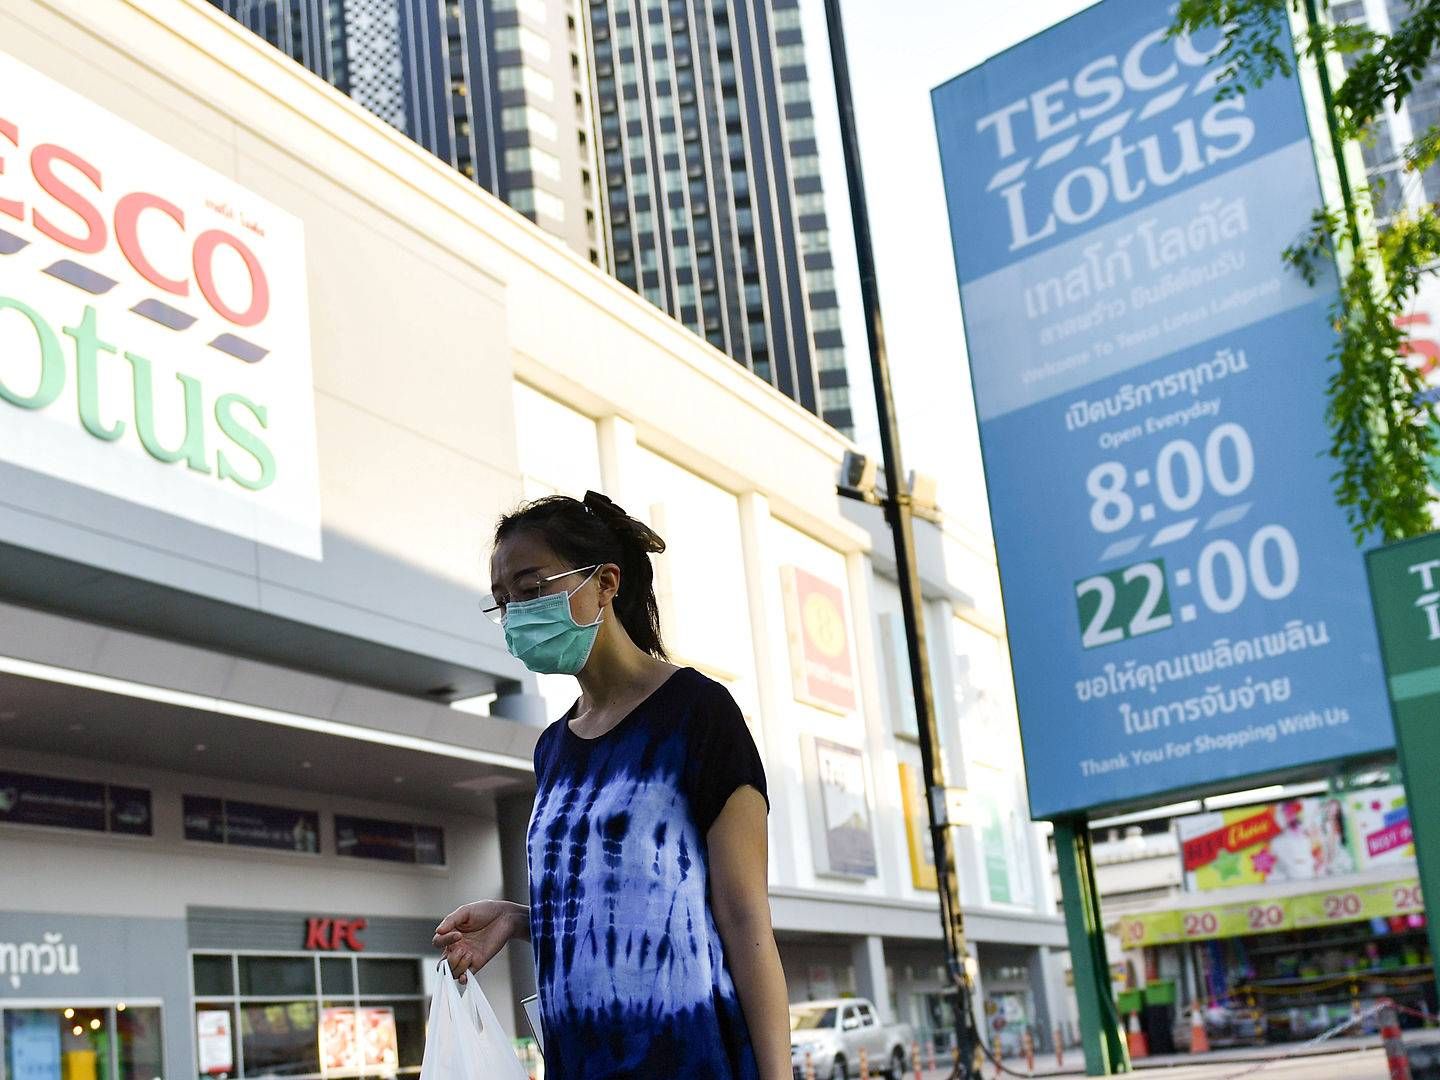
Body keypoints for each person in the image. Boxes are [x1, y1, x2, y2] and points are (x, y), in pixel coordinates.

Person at [433, 491, 791, 1080]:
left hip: (690, 1058)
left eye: (531, 588)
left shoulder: (698, 713)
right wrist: (521, 919)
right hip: (581, 1060)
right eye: (502, 603)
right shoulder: (552, 748)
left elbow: (744, 917)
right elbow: (625, 898)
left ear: (605, 583)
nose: (516, 614)